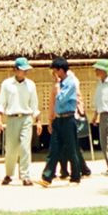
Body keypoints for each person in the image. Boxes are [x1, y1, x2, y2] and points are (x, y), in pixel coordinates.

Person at [37, 58, 83, 187]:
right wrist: (51, 120)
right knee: (54, 148)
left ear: (61, 70)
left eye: (55, 71)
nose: (54, 74)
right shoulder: (61, 83)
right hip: (58, 119)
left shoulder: (70, 83)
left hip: (68, 119)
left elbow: (61, 99)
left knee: (71, 148)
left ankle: (75, 177)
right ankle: (47, 177)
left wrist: (57, 87)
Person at [0, 58, 39, 187]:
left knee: (25, 148)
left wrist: (38, 120)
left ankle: (25, 176)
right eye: (22, 70)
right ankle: (9, 174)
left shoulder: (31, 85)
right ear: (15, 69)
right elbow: (2, 103)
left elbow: (34, 104)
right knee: (11, 149)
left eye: (26, 70)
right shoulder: (7, 84)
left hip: (26, 118)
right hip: (12, 118)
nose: (25, 72)